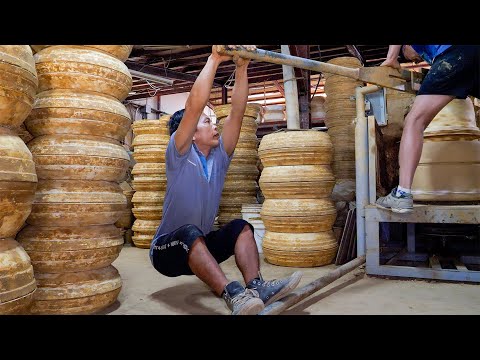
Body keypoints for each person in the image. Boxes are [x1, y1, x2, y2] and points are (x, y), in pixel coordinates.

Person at [149, 45, 302, 315]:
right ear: (191, 133)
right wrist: (215, 58)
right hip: (167, 251)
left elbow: (237, 113)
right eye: (207, 122)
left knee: (241, 227)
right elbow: (194, 106)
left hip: (200, 247)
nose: (214, 124)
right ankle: (234, 295)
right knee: (189, 233)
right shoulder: (180, 152)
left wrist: (242, 67)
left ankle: (257, 287)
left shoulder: (220, 156)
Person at [376, 45, 480, 213]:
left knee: (414, 120)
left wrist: (392, 58)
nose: (417, 60)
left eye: (411, 57)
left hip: (455, 52)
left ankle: (402, 194)